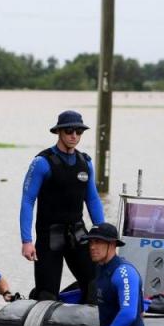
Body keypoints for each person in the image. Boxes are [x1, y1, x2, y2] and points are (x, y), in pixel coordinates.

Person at [20, 110, 105, 302]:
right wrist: (27, 241)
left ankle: (89, 319)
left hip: (78, 234)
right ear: (59, 131)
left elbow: (92, 199)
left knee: (96, 285)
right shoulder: (42, 162)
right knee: (47, 294)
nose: (74, 135)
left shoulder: (85, 163)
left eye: (79, 131)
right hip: (50, 237)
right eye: (69, 131)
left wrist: (103, 234)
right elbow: (27, 201)